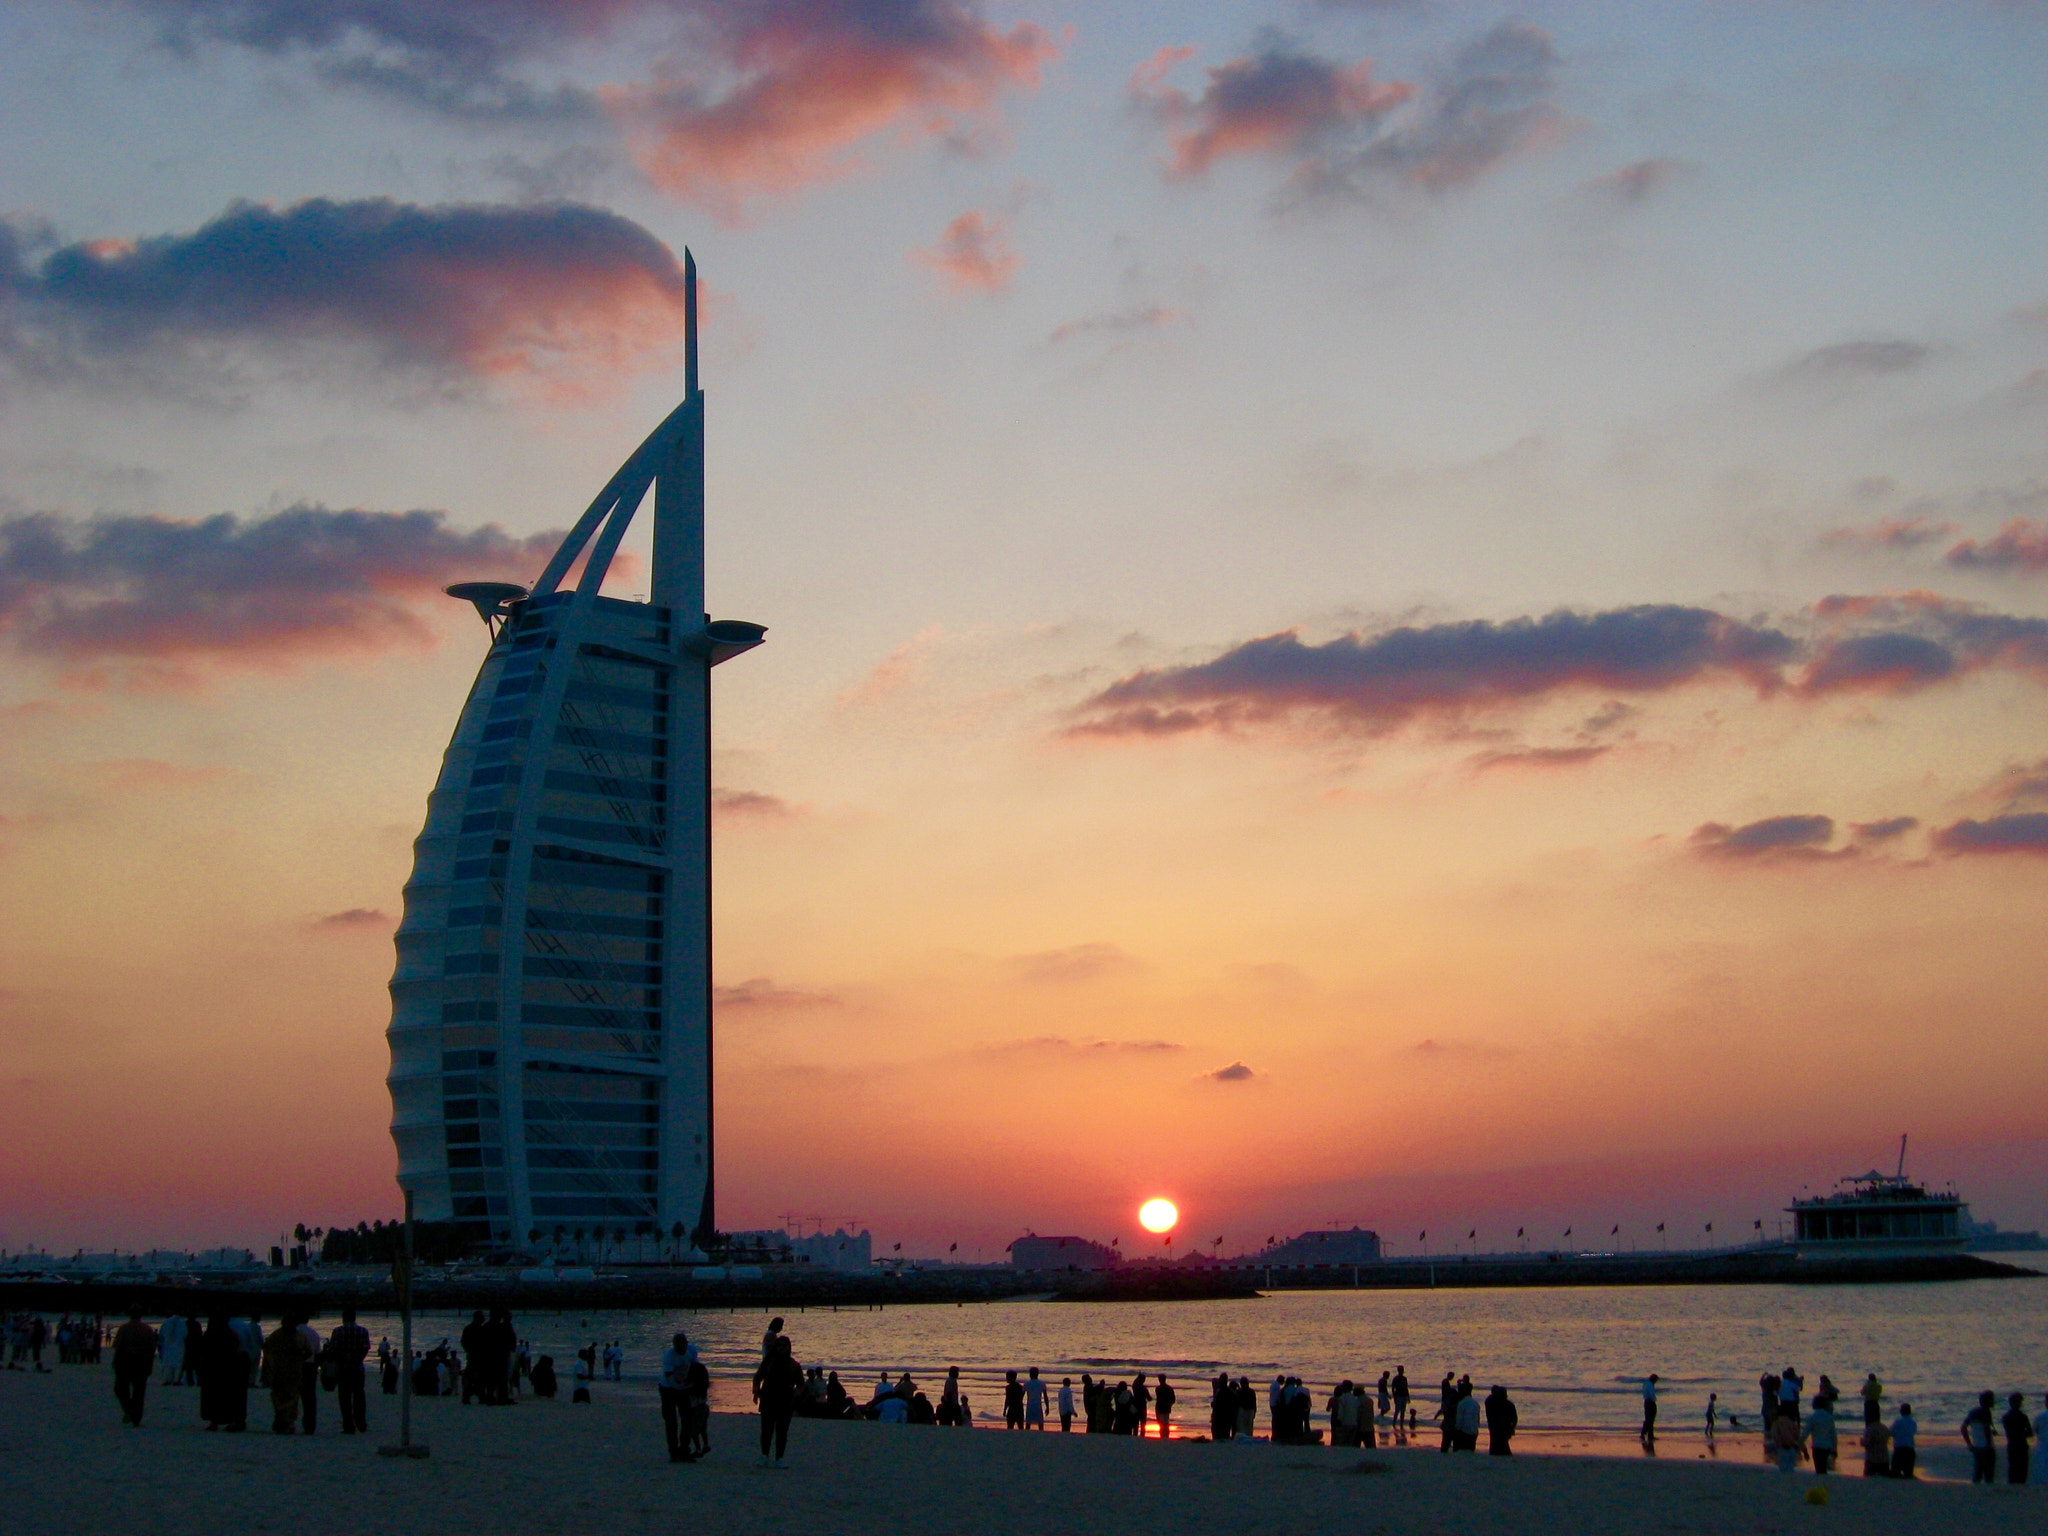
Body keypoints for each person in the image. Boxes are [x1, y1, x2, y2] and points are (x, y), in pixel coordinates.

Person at [753, 1334, 801, 1466]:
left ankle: (779, 1458)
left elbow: (801, 1385)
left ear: (789, 1348)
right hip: (768, 1399)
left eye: (784, 1346)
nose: (781, 1348)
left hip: (785, 1402)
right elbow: (758, 1377)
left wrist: (794, 1398)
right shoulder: (769, 1362)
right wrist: (756, 1392)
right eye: (779, 1345)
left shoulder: (794, 1365)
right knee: (766, 1430)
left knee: (782, 1431)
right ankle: (764, 1456)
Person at [198, 1314, 249, 1432]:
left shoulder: (210, 1334)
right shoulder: (230, 1334)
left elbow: (203, 1351)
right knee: (226, 1397)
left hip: (213, 1369)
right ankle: (226, 1421)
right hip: (226, 1370)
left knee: (212, 1397)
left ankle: (214, 1422)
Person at [260, 1313, 309, 1435]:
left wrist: (266, 1370)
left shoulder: (275, 1336)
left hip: (278, 1373)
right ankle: (288, 1423)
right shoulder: (299, 1337)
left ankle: (282, 1422)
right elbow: (308, 1352)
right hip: (293, 1373)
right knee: (291, 1400)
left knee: (279, 1400)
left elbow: (266, 1351)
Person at [111, 1308, 156, 1427]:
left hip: (125, 1363)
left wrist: (115, 1363)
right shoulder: (147, 1329)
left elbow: (117, 1347)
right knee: (139, 1392)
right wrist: (150, 1365)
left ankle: (130, 1411)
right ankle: (135, 1417)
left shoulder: (124, 1328)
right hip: (141, 1364)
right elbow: (151, 1350)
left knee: (121, 1389)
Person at [331, 1306, 370, 1435]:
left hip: (343, 1369)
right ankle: (361, 1422)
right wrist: (358, 1359)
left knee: (344, 1398)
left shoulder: (337, 1332)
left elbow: (334, 1350)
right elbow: (365, 1349)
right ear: (355, 1318)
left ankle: (348, 1426)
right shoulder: (363, 1331)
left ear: (343, 1318)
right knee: (359, 1396)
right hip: (357, 1368)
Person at [659, 1332, 693, 1462]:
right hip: (667, 1388)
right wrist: (681, 1387)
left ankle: (684, 1449)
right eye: (678, 1347)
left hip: (684, 1387)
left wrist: (692, 1386)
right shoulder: (668, 1356)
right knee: (671, 1421)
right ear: (674, 1346)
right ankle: (673, 1451)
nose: (681, 1350)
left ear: (686, 1344)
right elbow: (669, 1377)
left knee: (687, 1419)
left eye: (683, 1347)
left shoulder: (691, 1351)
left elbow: (695, 1368)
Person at [1962, 1390, 1998, 1483]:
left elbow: (1963, 1427)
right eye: (1992, 1400)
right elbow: (1986, 1429)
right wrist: (1989, 1445)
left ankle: (1976, 1491)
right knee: (1988, 1473)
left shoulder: (1973, 1412)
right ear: (1987, 1401)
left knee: (1978, 1471)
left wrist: (1969, 1443)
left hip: (1977, 1445)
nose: (1993, 1402)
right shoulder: (1986, 1412)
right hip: (1986, 1447)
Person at [297, 1315, 324, 1435]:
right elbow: (318, 1353)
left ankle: (289, 1421)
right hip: (310, 1366)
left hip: (296, 1366)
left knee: (292, 1395)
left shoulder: (295, 1332)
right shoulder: (314, 1333)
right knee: (310, 1398)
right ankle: (310, 1425)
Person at [2002, 1392, 2034, 1485]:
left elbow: (2008, 1431)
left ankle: (2012, 1484)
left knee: (2013, 1466)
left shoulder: (2006, 1417)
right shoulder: (2023, 1416)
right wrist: (2022, 1433)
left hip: (2012, 1444)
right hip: (2022, 1444)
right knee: (2022, 1467)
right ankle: (2020, 1484)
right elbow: (2030, 1433)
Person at [1806, 1393, 1837, 1475]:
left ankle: (1821, 1484)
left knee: (1819, 1469)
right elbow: (1833, 1435)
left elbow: (1805, 1433)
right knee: (1824, 1469)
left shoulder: (1812, 1417)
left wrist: (1800, 1445)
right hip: (1827, 1447)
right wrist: (1835, 1449)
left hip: (1817, 1446)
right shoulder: (1829, 1417)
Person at [1484, 1385, 1517, 1456]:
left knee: (1496, 1443)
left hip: (1496, 1426)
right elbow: (1514, 1419)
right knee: (1502, 1443)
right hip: (1504, 1427)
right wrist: (1512, 1428)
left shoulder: (1494, 1403)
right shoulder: (1509, 1404)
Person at [1771, 1400, 1803, 1472]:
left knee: (1782, 1467)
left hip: (1782, 1448)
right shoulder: (1792, 1423)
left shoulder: (1776, 1423)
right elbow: (1798, 1437)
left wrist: (1778, 1444)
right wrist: (1804, 1450)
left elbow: (1775, 1436)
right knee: (1791, 1467)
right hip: (1792, 1448)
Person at [1890, 1402, 1918, 1479]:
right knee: (1908, 1474)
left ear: (1901, 1411)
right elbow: (1914, 1432)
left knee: (1895, 1473)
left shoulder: (1898, 1421)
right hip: (1910, 1449)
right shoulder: (1913, 1422)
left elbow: (1891, 1432)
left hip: (1899, 1450)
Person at [1861, 1413, 1891, 1478]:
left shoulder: (1870, 1428)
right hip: (1884, 1458)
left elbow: (1866, 1442)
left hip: (1872, 1459)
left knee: (1868, 1478)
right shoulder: (1885, 1428)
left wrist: (1861, 1441)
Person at [1453, 1382, 1480, 1452]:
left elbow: (1459, 1421)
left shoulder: (1462, 1403)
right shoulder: (1475, 1403)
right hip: (1474, 1431)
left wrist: (1456, 1429)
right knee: (1471, 1450)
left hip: (1464, 1432)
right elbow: (1477, 1419)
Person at [1640, 1373, 1659, 1444]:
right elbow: (1651, 1395)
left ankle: (1648, 1434)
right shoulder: (1650, 1385)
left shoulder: (1645, 1384)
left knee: (1648, 1419)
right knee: (1650, 1419)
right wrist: (1654, 1400)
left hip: (1646, 1402)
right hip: (1650, 1402)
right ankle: (1645, 1433)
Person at [1154, 1374, 1174, 1438]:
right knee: (1166, 1423)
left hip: (1160, 1408)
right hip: (1166, 1408)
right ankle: (1166, 1436)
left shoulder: (1158, 1388)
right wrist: (1169, 1405)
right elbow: (1173, 1399)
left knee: (1161, 1423)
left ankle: (1162, 1436)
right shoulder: (1169, 1388)